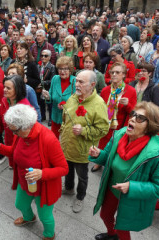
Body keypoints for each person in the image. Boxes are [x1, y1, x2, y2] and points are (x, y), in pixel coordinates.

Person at [89, 102, 159, 240]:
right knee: (105, 216)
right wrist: (99, 155)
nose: (133, 118)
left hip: (132, 197)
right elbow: (108, 159)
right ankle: (111, 235)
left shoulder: (156, 155)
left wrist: (132, 187)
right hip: (112, 188)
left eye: (140, 118)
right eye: (133, 114)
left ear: (149, 127)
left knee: (122, 229)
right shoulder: (119, 136)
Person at [0, 104, 69, 240]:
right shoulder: (20, 134)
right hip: (26, 181)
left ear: (26, 126)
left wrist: (42, 174)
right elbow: (14, 152)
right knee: (20, 204)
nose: (13, 133)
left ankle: (49, 235)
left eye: (15, 131)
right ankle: (29, 218)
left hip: (44, 187)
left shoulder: (48, 139)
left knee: (45, 216)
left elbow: (64, 168)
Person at [60, 70, 109, 213]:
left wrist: (84, 131)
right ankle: (69, 188)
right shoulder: (74, 97)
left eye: (81, 82)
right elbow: (66, 117)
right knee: (67, 170)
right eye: (76, 80)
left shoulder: (99, 104)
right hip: (67, 145)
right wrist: (63, 131)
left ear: (92, 85)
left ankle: (80, 197)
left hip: (83, 150)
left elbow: (103, 130)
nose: (77, 84)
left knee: (82, 176)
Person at [94, 62, 137, 172]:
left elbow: (134, 113)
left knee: (117, 146)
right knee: (103, 143)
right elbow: (100, 108)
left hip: (120, 125)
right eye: (112, 72)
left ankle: (112, 164)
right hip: (106, 123)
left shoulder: (131, 91)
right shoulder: (105, 90)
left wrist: (128, 105)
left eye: (117, 72)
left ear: (123, 75)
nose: (114, 74)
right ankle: (99, 161)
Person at [0, 75, 33, 166]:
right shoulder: (4, 101)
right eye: (4, 87)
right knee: (13, 165)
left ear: (17, 90)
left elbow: (30, 133)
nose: (4, 90)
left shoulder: (24, 107)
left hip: (22, 145)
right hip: (9, 142)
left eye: (8, 88)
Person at [41, 56, 76, 139]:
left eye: (65, 69)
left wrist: (66, 106)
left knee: (67, 143)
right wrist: (48, 97)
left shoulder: (75, 81)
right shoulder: (55, 79)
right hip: (55, 117)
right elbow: (50, 98)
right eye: (60, 69)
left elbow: (78, 103)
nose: (62, 71)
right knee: (53, 141)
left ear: (70, 70)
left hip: (69, 120)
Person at [38, 49, 56, 124]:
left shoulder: (52, 67)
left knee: (49, 104)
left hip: (48, 88)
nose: (43, 57)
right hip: (39, 88)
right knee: (41, 102)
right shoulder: (38, 66)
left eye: (45, 56)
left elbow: (52, 80)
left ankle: (51, 118)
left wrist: (42, 83)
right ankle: (43, 116)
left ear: (49, 57)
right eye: (42, 55)